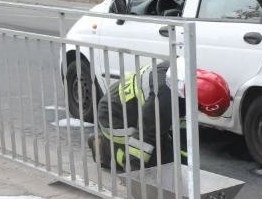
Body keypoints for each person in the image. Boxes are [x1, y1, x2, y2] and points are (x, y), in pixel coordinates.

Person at [89, 61, 231, 171]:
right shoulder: (164, 99)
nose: (199, 112)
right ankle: (104, 150)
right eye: (201, 109)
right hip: (115, 116)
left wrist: (186, 164)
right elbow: (144, 138)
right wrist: (135, 175)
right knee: (153, 165)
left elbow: (180, 128)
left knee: (170, 161)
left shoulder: (183, 80)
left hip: (134, 109)